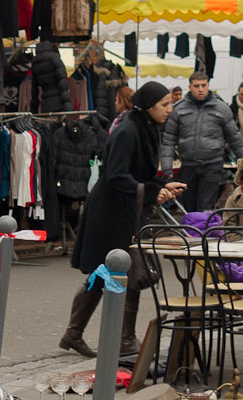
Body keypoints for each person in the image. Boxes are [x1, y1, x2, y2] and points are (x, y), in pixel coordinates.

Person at [63, 82, 183, 359]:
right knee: (127, 273)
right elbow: (115, 175)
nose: (169, 109)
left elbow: (137, 173)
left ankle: (74, 333)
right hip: (110, 211)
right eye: (165, 104)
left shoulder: (144, 126)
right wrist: (154, 190)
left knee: (106, 273)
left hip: (123, 207)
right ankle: (124, 339)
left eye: (169, 103)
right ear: (149, 106)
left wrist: (163, 186)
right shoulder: (129, 130)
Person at [159, 72, 243, 212]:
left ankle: (203, 232)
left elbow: (235, 138)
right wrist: (167, 169)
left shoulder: (221, 108)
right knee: (190, 208)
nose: (200, 89)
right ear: (190, 87)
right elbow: (168, 140)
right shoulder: (178, 109)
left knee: (205, 207)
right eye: (196, 86)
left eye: (203, 85)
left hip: (212, 164)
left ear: (208, 86)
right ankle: (192, 232)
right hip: (188, 165)